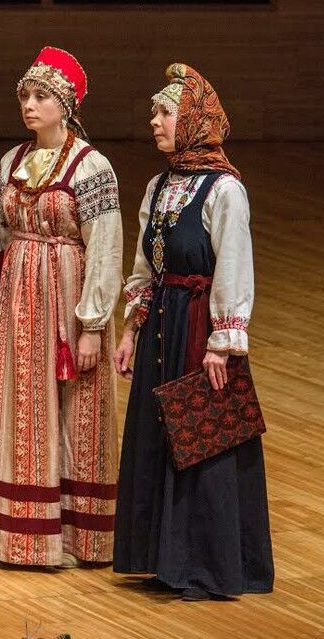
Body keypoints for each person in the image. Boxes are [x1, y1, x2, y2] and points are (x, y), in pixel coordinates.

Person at [112, 63, 274, 600]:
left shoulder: (224, 190)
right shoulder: (159, 185)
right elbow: (146, 265)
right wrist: (131, 329)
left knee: (203, 437)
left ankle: (207, 566)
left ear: (191, 121)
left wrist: (222, 343)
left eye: (164, 113)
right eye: (155, 113)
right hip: (163, 320)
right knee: (162, 433)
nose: (154, 122)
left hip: (200, 325)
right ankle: (163, 558)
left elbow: (234, 264)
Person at [0, 46, 122, 568]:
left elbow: (106, 246)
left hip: (70, 294)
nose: (29, 106)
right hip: (21, 300)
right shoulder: (12, 162)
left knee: (81, 411)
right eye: (25, 97)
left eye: (41, 97)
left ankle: (84, 537)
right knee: (25, 404)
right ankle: (29, 538)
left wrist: (92, 324)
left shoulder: (92, 166)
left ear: (66, 104)